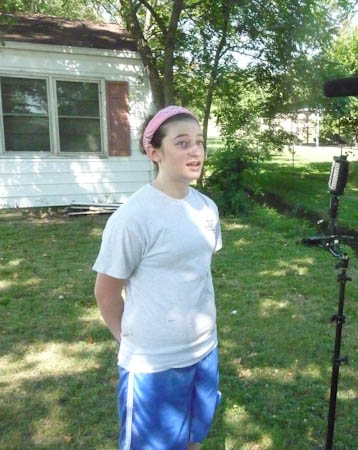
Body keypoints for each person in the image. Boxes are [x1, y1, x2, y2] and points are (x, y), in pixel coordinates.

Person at [93, 105, 222, 450]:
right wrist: (128, 339)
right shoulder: (133, 218)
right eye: (182, 143)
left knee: (193, 439)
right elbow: (106, 293)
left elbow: (197, 274)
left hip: (205, 350)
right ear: (154, 153)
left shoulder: (207, 209)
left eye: (199, 142)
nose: (195, 151)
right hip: (154, 363)